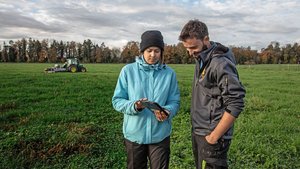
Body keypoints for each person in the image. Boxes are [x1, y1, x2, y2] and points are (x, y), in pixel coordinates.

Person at [178, 19, 246, 169]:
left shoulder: (220, 63)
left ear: (206, 39)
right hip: (200, 131)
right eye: (187, 48)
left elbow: (236, 102)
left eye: (193, 47)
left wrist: (214, 137)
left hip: (212, 134)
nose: (190, 53)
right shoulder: (201, 57)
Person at [112, 30, 180, 169]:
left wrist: (167, 111)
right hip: (134, 135)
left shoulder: (169, 74)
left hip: (160, 134)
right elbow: (117, 100)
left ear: (161, 52)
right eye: (149, 50)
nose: (153, 55)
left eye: (157, 51)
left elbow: (175, 101)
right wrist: (135, 106)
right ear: (142, 51)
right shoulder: (128, 71)